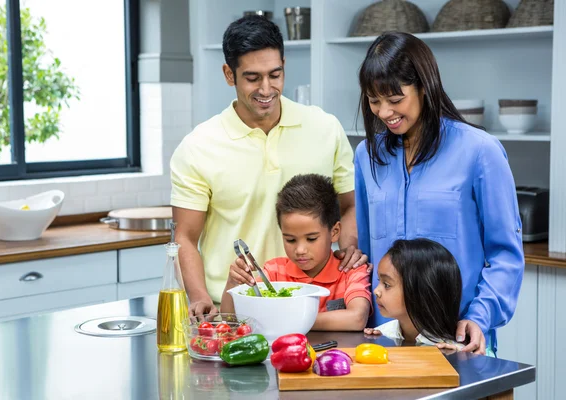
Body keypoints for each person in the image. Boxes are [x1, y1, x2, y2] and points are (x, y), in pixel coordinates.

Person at [170, 16, 366, 317]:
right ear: (228, 74)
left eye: (275, 74)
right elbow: (185, 236)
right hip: (233, 311)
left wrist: (349, 246)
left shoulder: (325, 128)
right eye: (252, 78)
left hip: (316, 310)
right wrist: (198, 297)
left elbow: (348, 205)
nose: (266, 89)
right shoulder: (198, 146)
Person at [355, 31, 524, 355]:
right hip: (384, 339)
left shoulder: (480, 152)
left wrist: (480, 316)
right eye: (374, 101)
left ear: (424, 86)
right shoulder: (366, 157)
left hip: (456, 341)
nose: (384, 112)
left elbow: (505, 254)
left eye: (395, 99)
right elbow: (367, 252)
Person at [220, 174, 372, 331]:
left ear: (334, 232)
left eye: (311, 239)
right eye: (290, 240)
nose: (300, 250)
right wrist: (233, 282)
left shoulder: (351, 270)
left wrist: (286, 319)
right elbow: (230, 319)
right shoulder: (274, 272)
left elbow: (357, 318)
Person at [363, 238, 482, 353]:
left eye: (387, 284)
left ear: (421, 292)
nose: (376, 291)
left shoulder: (455, 351)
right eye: (379, 281)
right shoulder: (382, 334)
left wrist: (456, 360)